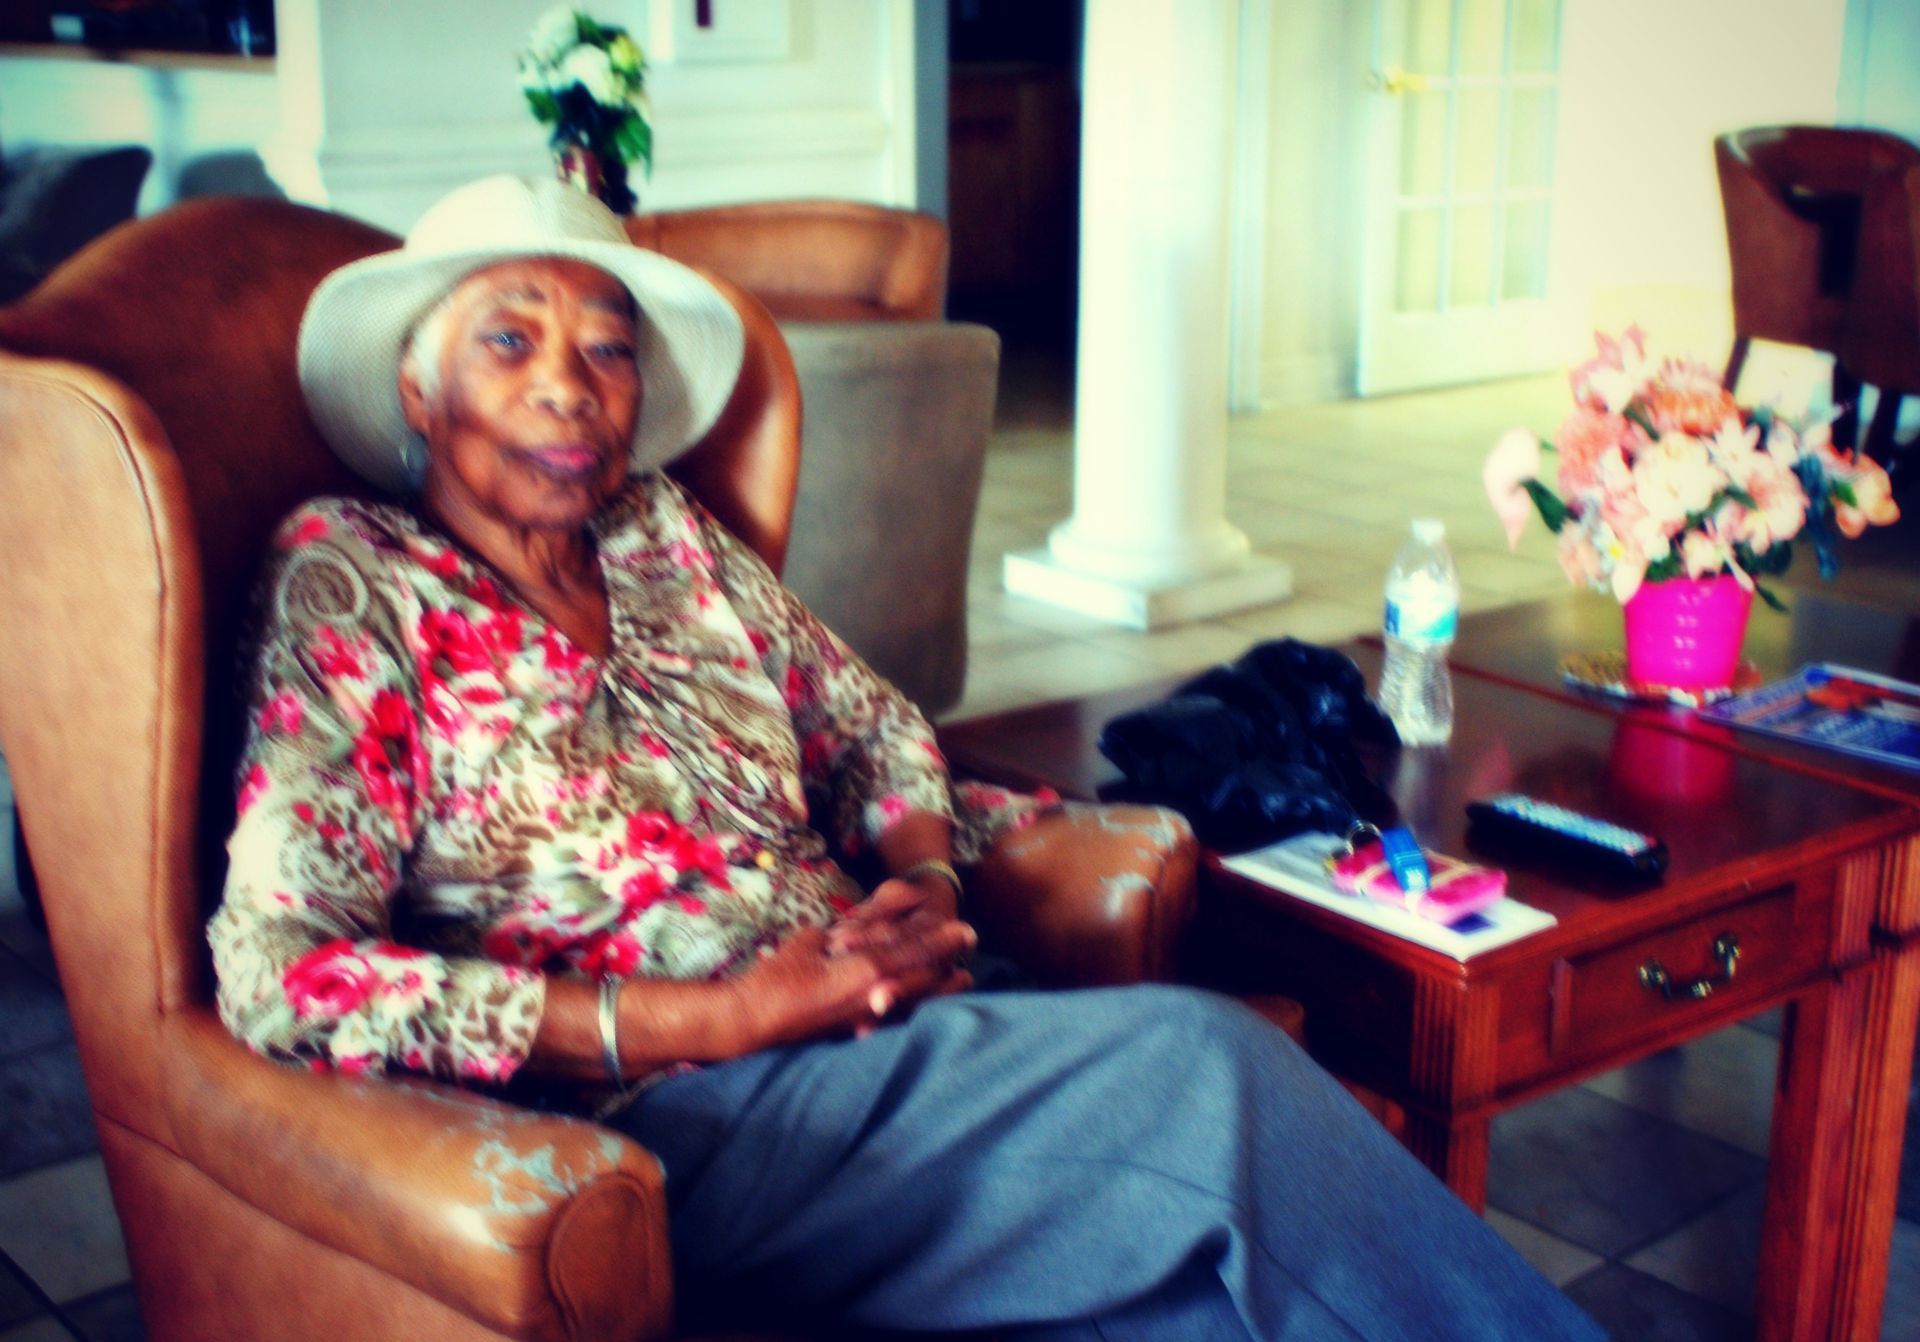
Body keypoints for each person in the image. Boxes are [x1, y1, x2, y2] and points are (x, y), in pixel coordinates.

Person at [208, 175, 1602, 1341]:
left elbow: (870, 721)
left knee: (1186, 1296)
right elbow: (283, 971)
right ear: (418, 379)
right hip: (661, 1117)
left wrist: (925, 880)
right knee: (1204, 1069)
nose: (569, 387)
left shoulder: (662, 534)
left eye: (607, 347)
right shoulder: (355, 578)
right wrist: (720, 1016)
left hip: (887, 1024)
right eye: (508, 343)